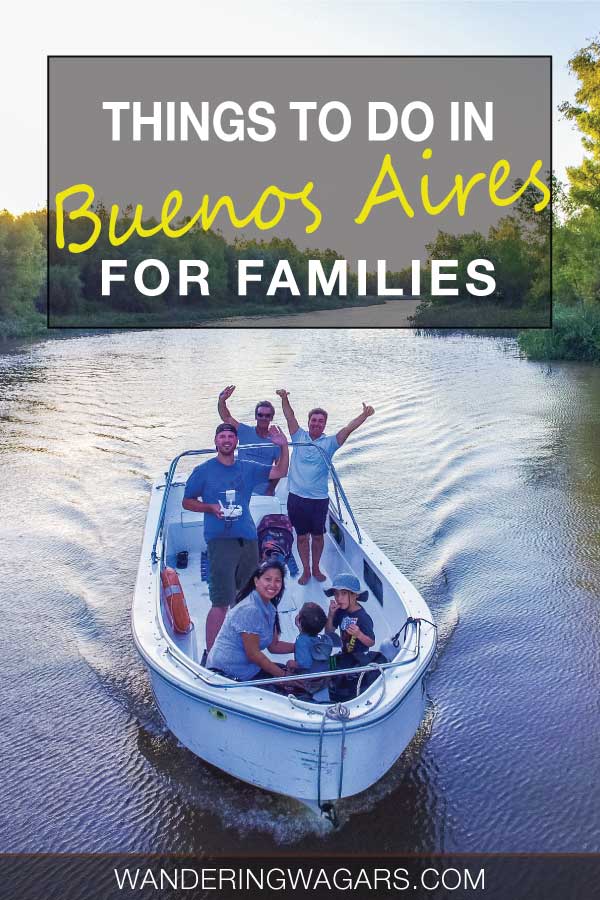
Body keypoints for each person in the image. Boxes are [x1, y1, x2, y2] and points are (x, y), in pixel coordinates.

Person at [182, 422, 289, 652]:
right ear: (216, 441)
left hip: (248, 539)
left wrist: (283, 447)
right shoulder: (203, 471)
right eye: (222, 436)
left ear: (236, 441)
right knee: (220, 601)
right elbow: (187, 501)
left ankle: (247, 644)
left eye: (231, 436)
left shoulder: (247, 467)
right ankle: (210, 656)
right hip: (219, 540)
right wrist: (210, 508)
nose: (227, 440)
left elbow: (280, 472)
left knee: (248, 596)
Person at [276, 389, 375, 584]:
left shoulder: (330, 443)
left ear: (324, 425)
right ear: (308, 422)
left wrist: (364, 415)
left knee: (318, 537)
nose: (316, 423)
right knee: (302, 537)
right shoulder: (298, 437)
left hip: (319, 500)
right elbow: (289, 416)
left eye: (320, 421)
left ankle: (316, 568)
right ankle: (306, 570)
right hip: (296, 498)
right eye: (314, 420)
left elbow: (348, 429)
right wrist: (285, 398)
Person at [206, 560, 295, 680]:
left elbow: (274, 646)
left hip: (249, 667)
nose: (273, 584)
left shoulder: (269, 608)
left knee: (298, 677)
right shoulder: (250, 610)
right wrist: (284, 678)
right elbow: (254, 654)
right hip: (227, 673)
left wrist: (304, 646)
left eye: (277, 580)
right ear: (256, 581)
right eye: (268, 579)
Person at [218, 386, 280, 495]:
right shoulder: (244, 431)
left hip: (263, 492)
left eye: (267, 415)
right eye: (260, 415)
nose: (263, 418)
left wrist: (270, 489)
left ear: (271, 418)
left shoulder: (276, 441)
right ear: (256, 417)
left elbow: (280, 468)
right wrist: (221, 400)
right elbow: (226, 417)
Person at [286, 602, 341, 694]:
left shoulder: (301, 641)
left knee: (288, 674)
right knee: (331, 659)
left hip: (311, 682)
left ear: (299, 620)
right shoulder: (322, 638)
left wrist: (291, 663)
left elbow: (305, 664)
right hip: (325, 676)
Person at [324, 572, 375, 666]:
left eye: (343, 594)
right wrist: (331, 615)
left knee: (337, 673)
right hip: (345, 654)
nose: (339, 598)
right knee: (327, 664)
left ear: (355, 595)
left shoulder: (363, 617)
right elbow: (329, 632)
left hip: (359, 658)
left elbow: (371, 642)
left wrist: (359, 634)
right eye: (336, 594)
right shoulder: (339, 611)